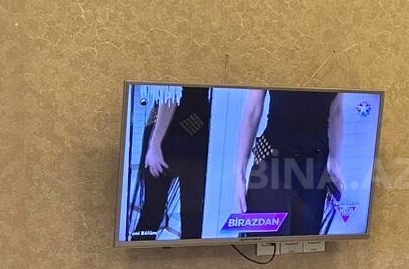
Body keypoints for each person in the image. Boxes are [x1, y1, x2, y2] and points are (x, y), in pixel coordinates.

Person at [232, 89, 345, 237]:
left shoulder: (338, 75)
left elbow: (336, 110)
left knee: (305, 243)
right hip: (272, 166)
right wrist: (239, 173)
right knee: (263, 243)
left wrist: (335, 162)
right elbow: (253, 111)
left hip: (315, 170)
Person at [128, 85, 212, 241]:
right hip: (194, 130)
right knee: (191, 210)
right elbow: (170, 95)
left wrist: (154, 144)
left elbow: (170, 96)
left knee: (156, 209)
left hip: (172, 136)